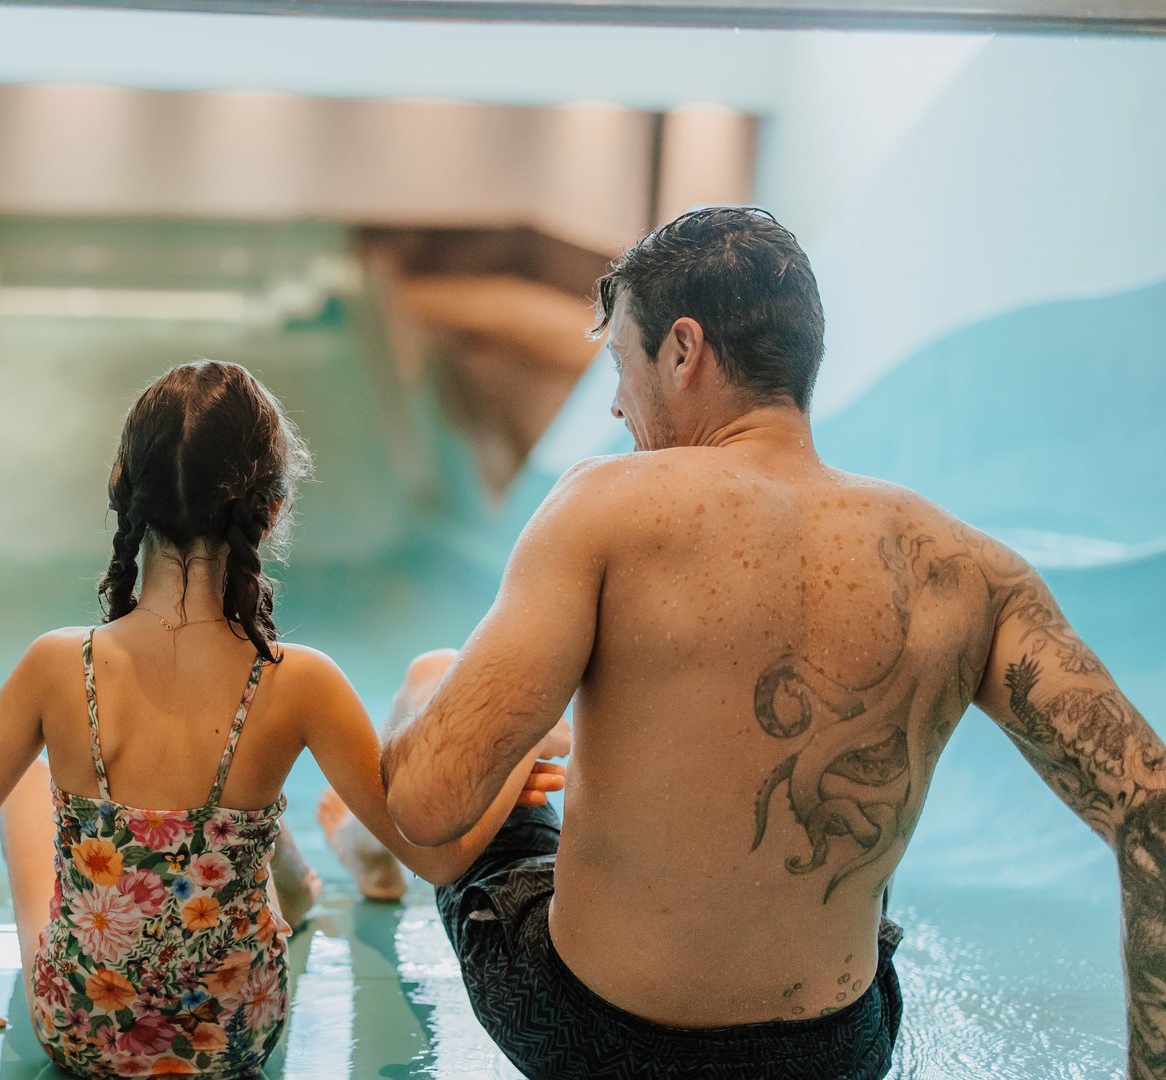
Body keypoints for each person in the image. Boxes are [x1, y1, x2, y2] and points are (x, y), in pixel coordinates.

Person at [376, 207, 1165, 1080]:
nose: (614, 402)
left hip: (600, 1041)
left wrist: (431, 724)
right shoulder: (967, 567)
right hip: (835, 1052)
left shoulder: (604, 503)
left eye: (620, 364)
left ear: (683, 351)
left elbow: (429, 806)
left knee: (434, 696)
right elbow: (1152, 805)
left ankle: (375, 791)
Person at [0, 359, 568, 1078]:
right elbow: (436, 855)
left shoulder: (54, 665)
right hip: (233, 1038)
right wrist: (510, 760)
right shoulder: (301, 682)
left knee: (24, 786)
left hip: (79, 1032)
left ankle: (271, 891)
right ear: (272, 509)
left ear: (119, 489)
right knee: (231, 812)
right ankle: (296, 891)